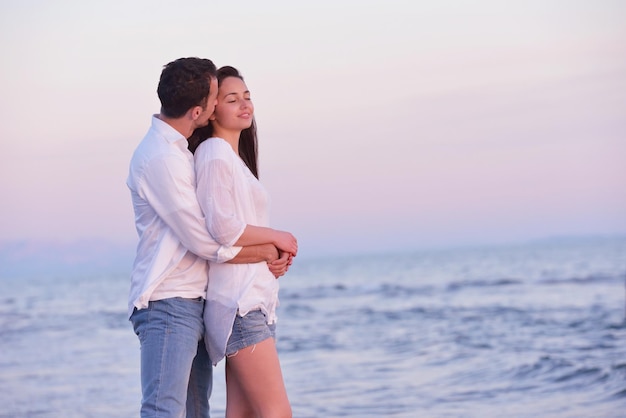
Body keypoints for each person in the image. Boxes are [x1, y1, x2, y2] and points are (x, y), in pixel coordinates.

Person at [126, 57, 291, 418]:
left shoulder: (183, 152)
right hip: (169, 298)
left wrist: (267, 251)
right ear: (202, 110)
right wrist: (268, 248)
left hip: (196, 299)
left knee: (196, 412)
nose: (227, 104)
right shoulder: (163, 159)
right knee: (163, 410)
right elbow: (208, 238)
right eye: (222, 97)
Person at [188, 65, 296, 418]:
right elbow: (221, 228)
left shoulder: (232, 159)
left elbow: (232, 237)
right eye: (232, 99)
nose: (244, 104)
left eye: (247, 97)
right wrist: (277, 238)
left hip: (250, 302)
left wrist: (271, 254)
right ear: (212, 109)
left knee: (243, 414)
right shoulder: (215, 154)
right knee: (277, 413)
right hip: (240, 305)